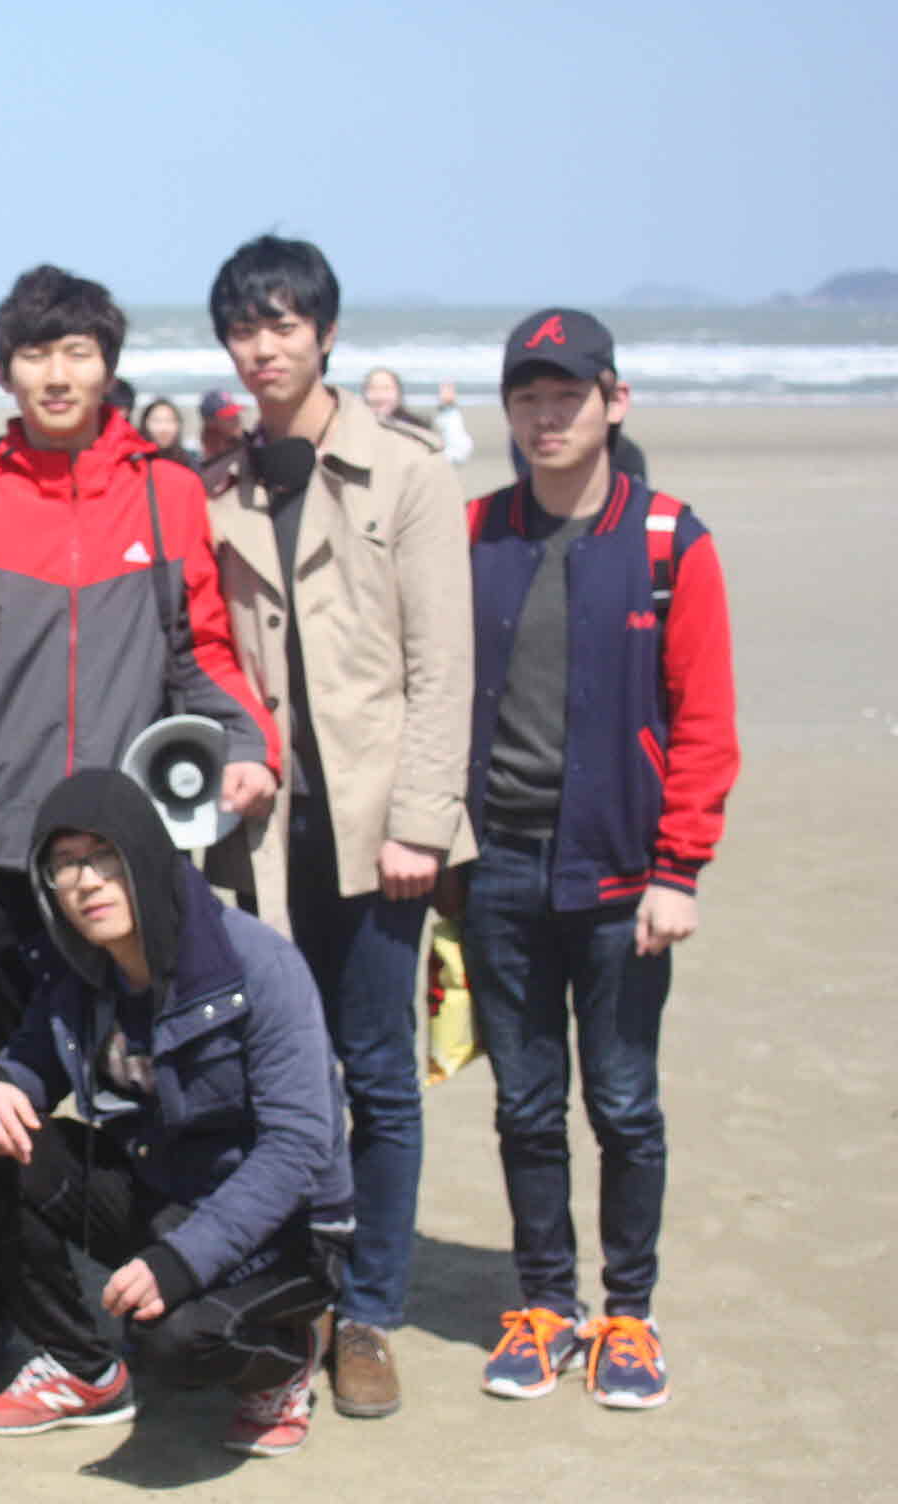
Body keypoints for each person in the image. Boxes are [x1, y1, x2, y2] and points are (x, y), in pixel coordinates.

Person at [0, 264, 277, 1115]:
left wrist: (252, 744)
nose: (57, 375)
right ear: (6, 373)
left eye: (77, 352)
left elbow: (202, 651)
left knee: (145, 1090)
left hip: (129, 848)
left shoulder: (167, 492)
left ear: (109, 367)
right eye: (35, 355)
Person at [201, 234, 475, 1420]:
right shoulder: (219, 487)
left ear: (324, 331)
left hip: (379, 832)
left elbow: (444, 665)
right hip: (261, 838)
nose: (263, 347)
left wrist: (422, 823)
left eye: (283, 324)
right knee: (281, 1076)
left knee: (379, 1073)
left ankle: (369, 1313)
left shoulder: (407, 472)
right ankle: (295, 1298)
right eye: (244, 328)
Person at [463, 308, 737, 1411]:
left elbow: (704, 720)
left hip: (624, 876)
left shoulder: (670, 539)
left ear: (614, 402)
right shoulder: (476, 533)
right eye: (528, 396)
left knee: (623, 1102)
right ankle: (546, 1305)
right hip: (499, 867)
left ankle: (629, 1313)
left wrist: (681, 868)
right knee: (527, 1105)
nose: (547, 415)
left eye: (567, 395)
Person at [0, 768, 351, 1458]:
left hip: (284, 1230)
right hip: (161, 1192)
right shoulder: (81, 968)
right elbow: (29, 1061)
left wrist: (183, 1260)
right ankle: (82, 1369)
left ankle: (287, 1357)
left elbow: (298, 1148)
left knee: (177, 1343)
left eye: (104, 856)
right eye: (65, 864)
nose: (87, 882)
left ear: (144, 853)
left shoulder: (258, 965)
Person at [361, 367, 474, 465]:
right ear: (364, 395)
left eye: (386, 388)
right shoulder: (357, 428)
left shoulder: (416, 431)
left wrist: (448, 410)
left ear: (399, 394)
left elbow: (456, 454)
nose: (379, 395)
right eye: (372, 388)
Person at [195, 388, 249, 496]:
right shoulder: (201, 466)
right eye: (229, 416)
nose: (236, 419)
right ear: (210, 422)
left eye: (235, 414)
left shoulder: (249, 448)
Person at [137, 396, 200, 471]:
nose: (163, 428)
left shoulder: (189, 463)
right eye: (157, 421)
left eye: (169, 420)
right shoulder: (136, 462)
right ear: (144, 424)